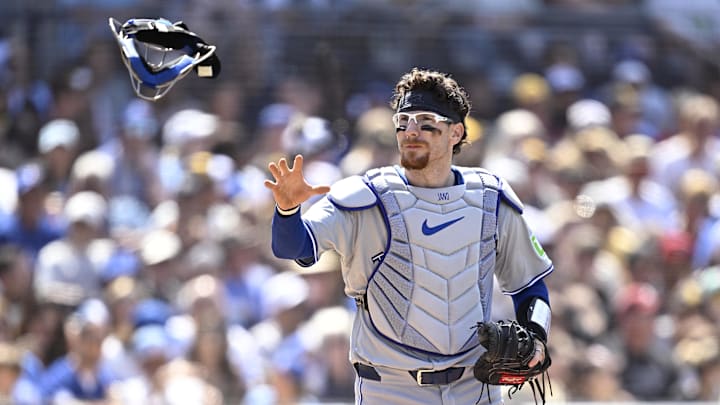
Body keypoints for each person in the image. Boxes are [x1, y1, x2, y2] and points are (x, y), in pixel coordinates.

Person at [265, 67, 554, 404]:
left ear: (455, 132)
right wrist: (287, 211)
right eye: (403, 122)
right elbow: (293, 246)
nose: (411, 130)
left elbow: (529, 285)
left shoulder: (490, 198)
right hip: (391, 388)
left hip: (474, 387)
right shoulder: (365, 196)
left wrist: (535, 336)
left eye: (426, 121)